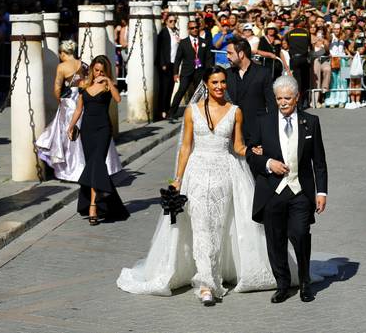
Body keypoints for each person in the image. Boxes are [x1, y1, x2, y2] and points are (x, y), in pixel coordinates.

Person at [117, 67, 282, 304]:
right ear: (206, 83)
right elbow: (186, 147)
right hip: (196, 172)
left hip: (224, 174)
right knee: (201, 226)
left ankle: (214, 274)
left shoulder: (235, 111)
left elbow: (237, 146)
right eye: (214, 82)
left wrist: (253, 151)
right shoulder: (191, 111)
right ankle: (206, 283)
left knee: (217, 225)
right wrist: (178, 178)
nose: (219, 87)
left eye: (223, 82)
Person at [247, 76, 328, 304]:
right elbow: (250, 153)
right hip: (272, 191)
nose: (282, 103)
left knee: (300, 235)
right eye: (279, 98)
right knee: (275, 240)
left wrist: (321, 192)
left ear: (297, 98)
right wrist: (267, 163)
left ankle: (304, 282)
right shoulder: (263, 122)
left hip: (300, 190)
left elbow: (319, 161)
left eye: (287, 98)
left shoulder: (310, 122)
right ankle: (282, 285)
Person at [36, 41, 122, 182]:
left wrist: (61, 102)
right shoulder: (83, 64)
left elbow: (57, 89)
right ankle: (90, 170)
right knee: (85, 139)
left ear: (63, 53)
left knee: (69, 140)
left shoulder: (62, 67)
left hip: (70, 102)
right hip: (86, 101)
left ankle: (71, 171)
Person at [66, 55, 129, 225]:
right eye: (97, 70)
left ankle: (93, 205)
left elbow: (118, 99)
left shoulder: (108, 85)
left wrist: (108, 80)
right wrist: (71, 126)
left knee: (97, 163)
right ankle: (110, 204)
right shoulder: (84, 85)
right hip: (87, 131)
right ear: (92, 69)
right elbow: (79, 110)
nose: (99, 73)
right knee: (94, 167)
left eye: (102, 70)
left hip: (103, 130)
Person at [225, 40, 277, 145]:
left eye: (230, 53)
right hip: (232, 132)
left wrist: (272, 129)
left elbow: (271, 103)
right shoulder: (227, 74)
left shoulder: (263, 73)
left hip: (256, 131)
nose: (227, 56)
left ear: (241, 54)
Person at [169, 18, 212, 122]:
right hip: (186, 71)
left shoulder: (204, 42)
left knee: (201, 93)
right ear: (188, 30)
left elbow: (208, 58)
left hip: (200, 72)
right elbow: (178, 59)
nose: (194, 30)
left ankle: (201, 113)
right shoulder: (183, 43)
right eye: (192, 28)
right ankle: (172, 113)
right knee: (181, 91)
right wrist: (175, 73)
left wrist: (208, 72)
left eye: (196, 27)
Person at [156, 14, 180, 120]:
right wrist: (162, 64)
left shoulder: (175, 32)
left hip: (173, 63)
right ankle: (162, 110)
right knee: (164, 88)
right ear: (166, 22)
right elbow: (160, 49)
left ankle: (167, 108)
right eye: (171, 21)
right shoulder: (164, 32)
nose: (173, 23)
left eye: (174, 21)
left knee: (170, 87)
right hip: (166, 64)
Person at [285, 18, 312, 110]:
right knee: (305, 81)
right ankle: (304, 102)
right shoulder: (306, 32)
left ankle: (298, 104)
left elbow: (287, 45)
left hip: (294, 59)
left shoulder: (289, 33)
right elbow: (309, 45)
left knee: (297, 82)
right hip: (304, 59)